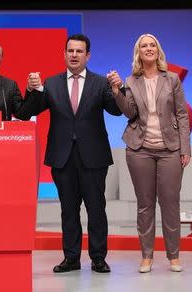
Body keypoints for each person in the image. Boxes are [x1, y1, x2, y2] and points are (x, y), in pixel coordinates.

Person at [20, 34, 122, 273]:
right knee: (68, 209)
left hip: (93, 157)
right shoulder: (52, 83)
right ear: (64, 54)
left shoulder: (101, 83)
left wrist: (119, 89)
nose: (74, 55)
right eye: (70, 51)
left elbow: (117, 111)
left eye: (79, 51)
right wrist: (32, 90)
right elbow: (27, 112)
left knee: (96, 208)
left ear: (88, 56)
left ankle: (98, 258)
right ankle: (71, 258)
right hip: (62, 156)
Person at [110, 33, 191, 273]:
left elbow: (182, 115)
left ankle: (174, 256)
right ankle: (146, 256)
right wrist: (117, 91)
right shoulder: (130, 80)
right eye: (143, 46)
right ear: (138, 52)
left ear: (158, 50)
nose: (148, 48)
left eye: (152, 45)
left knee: (170, 203)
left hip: (170, 149)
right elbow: (129, 113)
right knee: (145, 205)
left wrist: (185, 148)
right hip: (139, 149)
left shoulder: (172, 79)